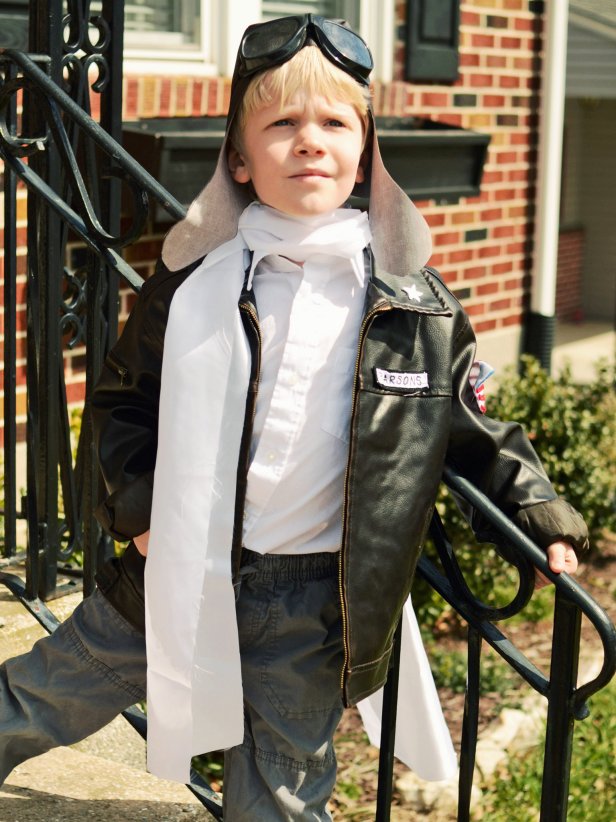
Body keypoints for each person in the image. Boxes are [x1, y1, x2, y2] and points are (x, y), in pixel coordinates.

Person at [0, 15, 587, 820]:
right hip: (174, 571)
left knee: (279, 785)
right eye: (281, 123)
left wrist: (534, 507)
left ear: (365, 150)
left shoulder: (416, 308)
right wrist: (139, 513)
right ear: (239, 158)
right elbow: (122, 407)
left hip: (312, 601)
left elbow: (470, 429)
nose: (309, 141)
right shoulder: (192, 283)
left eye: (334, 123)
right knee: (46, 693)